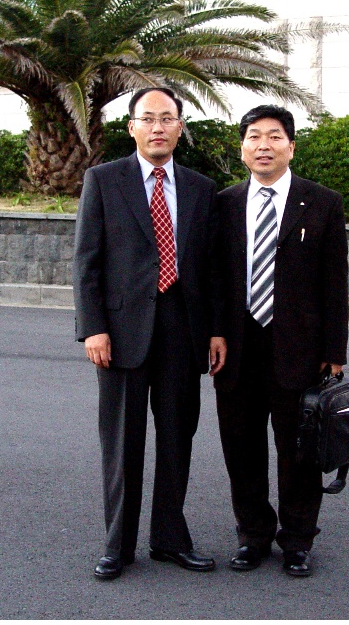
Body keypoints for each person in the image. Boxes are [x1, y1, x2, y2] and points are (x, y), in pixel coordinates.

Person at [73, 87, 227, 581]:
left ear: (180, 127)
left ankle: (169, 539)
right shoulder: (104, 180)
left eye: (167, 118)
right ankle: (117, 545)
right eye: (148, 118)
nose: (157, 127)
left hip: (184, 330)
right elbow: (86, 261)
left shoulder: (201, 188)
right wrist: (93, 327)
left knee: (178, 439)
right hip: (121, 333)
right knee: (122, 442)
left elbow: (212, 267)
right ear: (132, 127)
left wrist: (216, 330)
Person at [211, 104, 349, 577]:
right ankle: (252, 535)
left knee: (299, 451)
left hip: (301, 349)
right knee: (241, 447)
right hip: (236, 346)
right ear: (242, 148)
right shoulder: (224, 203)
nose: (263, 145)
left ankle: (297, 539)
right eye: (254, 136)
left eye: (274, 137)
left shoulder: (322, 202)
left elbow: (335, 282)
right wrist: (214, 332)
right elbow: (215, 278)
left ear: (291, 146)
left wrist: (334, 352)